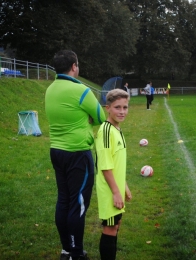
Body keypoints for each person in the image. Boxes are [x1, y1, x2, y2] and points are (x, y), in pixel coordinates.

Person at [45, 50, 106, 260]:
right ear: (74, 66)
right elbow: (101, 116)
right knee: (77, 204)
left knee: (63, 200)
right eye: (78, 65)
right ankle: (76, 253)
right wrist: (88, 119)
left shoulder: (50, 89)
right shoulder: (81, 90)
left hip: (57, 151)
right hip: (78, 153)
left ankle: (65, 249)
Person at [95, 89, 132, 260]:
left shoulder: (117, 129)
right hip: (110, 190)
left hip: (116, 187)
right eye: (117, 107)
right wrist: (116, 192)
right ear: (107, 108)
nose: (122, 111)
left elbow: (116, 162)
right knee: (110, 228)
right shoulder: (106, 130)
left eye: (125, 107)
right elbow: (105, 166)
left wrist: (123, 186)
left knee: (116, 225)